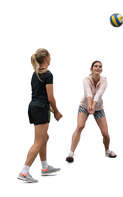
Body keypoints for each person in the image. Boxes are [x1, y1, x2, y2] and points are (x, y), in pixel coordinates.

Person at [18, 48, 62, 183]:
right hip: (42, 109)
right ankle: (24, 172)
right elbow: (50, 97)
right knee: (38, 141)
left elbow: (40, 95)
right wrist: (56, 111)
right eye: (50, 56)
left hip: (33, 107)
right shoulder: (48, 74)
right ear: (46, 58)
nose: (51, 58)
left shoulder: (35, 74)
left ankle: (44, 167)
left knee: (44, 137)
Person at [66, 60, 117, 163]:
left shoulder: (104, 80)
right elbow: (88, 93)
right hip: (85, 106)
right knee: (80, 126)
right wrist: (89, 106)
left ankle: (107, 151)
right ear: (91, 69)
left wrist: (93, 106)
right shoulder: (86, 79)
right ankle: (71, 153)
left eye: (100, 66)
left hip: (98, 107)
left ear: (101, 69)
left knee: (105, 133)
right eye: (95, 66)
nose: (98, 68)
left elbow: (98, 94)